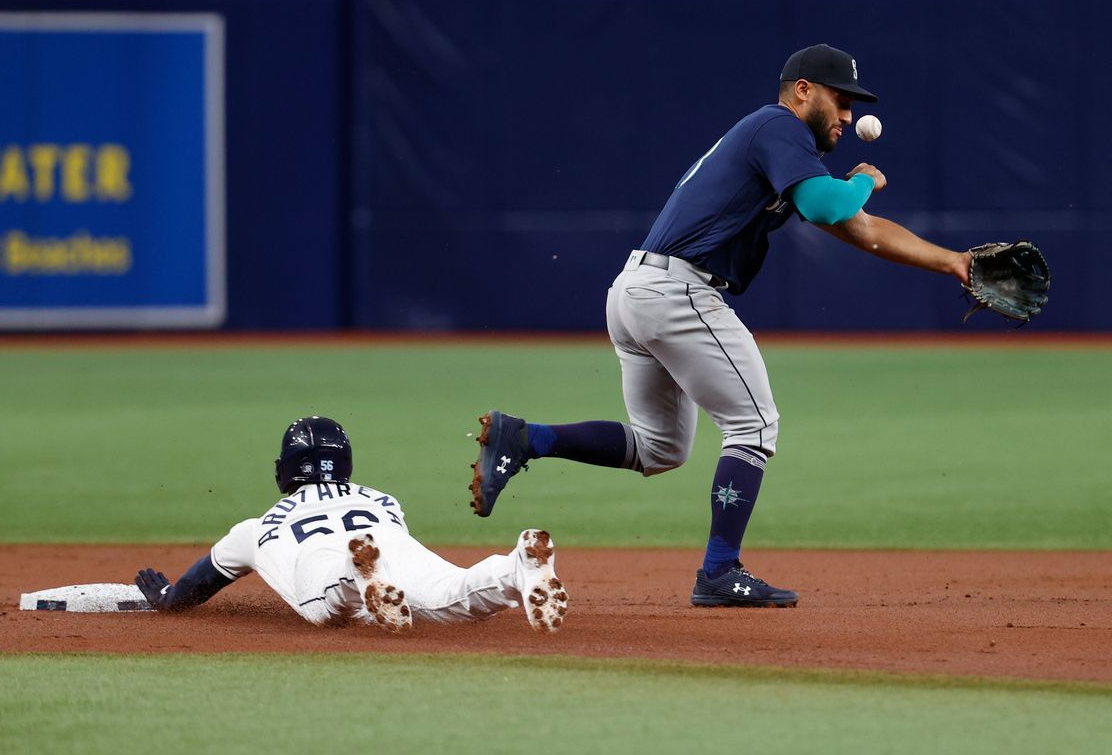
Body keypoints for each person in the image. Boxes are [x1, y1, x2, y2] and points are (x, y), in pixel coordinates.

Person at [468, 43, 973, 609]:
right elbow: (834, 206)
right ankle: (718, 571)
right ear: (803, 90)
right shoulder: (777, 127)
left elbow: (864, 231)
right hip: (676, 291)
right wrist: (861, 180)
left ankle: (526, 437)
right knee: (755, 427)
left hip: (637, 290)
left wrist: (956, 262)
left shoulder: (786, 156)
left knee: (659, 449)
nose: (850, 115)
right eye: (841, 99)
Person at [136, 415, 568, 633]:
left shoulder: (254, 528)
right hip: (385, 537)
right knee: (449, 595)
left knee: (326, 606)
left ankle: (356, 573)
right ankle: (514, 569)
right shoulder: (381, 498)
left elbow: (197, 585)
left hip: (324, 555)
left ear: (284, 470)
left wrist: (169, 597)